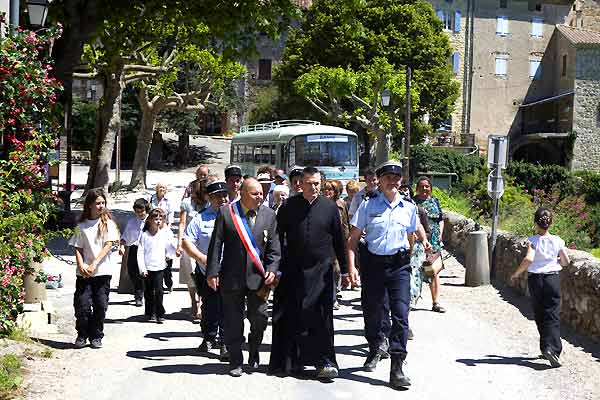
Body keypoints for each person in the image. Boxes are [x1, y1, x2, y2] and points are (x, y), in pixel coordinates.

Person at [347, 161, 425, 389]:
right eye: (388, 177)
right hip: (373, 266)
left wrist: (405, 260)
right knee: (373, 312)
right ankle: (374, 347)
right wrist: (351, 267)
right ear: (379, 180)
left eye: (397, 177)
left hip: (399, 267)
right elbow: (353, 239)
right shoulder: (367, 205)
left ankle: (397, 365)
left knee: (401, 314)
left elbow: (411, 237)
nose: (393, 181)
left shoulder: (409, 207)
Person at [269, 167, 347, 379]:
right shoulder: (288, 206)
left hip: (321, 271)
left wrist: (347, 270)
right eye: (308, 183)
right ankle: (291, 361)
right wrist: (274, 267)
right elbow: (277, 237)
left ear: (321, 184)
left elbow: (340, 241)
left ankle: (324, 361)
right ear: (299, 184)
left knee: (321, 318)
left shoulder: (330, 208)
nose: (313, 187)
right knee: (292, 315)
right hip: (293, 270)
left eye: (316, 183)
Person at [206, 178, 281, 377]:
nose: (260, 197)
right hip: (231, 277)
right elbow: (216, 244)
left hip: (259, 278)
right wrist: (212, 271)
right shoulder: (227, 213)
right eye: (255, 194)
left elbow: (274, 248)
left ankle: (254, 348)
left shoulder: (269, 215)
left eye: (261, 193)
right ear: (243, 194)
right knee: (232, 321)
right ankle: (235, 360)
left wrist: (273, 268)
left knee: (260, 317)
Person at [510, 208, 570, 368]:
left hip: (536, 280)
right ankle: (552, 350)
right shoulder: (558, 240)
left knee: (539, 313)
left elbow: (529, 259)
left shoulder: (533, 240)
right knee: (553, 314)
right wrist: (555, 259)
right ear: (551, 223)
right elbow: (566, 262)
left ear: (536, 222)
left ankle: (546, 348)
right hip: (552, 279)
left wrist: (516, 274)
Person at [182, 180, 229, 357]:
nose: (223, 199)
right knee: (209, 308)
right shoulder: (200, 218)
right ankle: (209, 337)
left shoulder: (236, 215)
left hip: (229, 272)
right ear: (210, 198)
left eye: (225, 195)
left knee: (227, 308)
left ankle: (225, 342)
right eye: (218, 196)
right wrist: (202, 259)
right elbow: (187, 242)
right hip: (206, 272)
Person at [69, 189, 120, 349]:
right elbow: (77, 246)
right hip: (84, 273)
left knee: (100, 304)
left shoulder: (108, 224)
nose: (100, 206)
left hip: (102, 271)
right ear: (90, 205)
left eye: (103, 203)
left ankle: (96, 335)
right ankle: (82, 334)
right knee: (82, 305)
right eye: (97, 203)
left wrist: (94, 264)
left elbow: (108, 245)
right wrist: (81, 264)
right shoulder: (81, 225)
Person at [137, 208, 177, 323]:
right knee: (148, 291)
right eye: (156, 219)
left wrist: (173, 252)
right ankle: (150, 312)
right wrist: (142, 268)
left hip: (160, 267)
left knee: (159, 291)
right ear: (150, 220)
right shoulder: (144, 235)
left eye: (160, 219)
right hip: (147, 267)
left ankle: (160, 313)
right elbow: (140, 252)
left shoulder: (164, 234)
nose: (158, 221)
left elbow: (169, 247)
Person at [413, 176, 446, 313]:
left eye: (427, 186)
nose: (424, 188)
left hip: (434, 242)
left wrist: (440, 234)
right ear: (417, 188)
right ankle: (410, 300)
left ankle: (436, 302)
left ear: (431, 188)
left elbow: (441, 220)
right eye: (422, 186)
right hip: (418, 242)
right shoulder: (412, 202)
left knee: (434, 271)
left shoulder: (435, 201)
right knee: (415, 271)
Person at [177, 180, 207, 321]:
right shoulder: (187, 203)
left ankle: (201, 304)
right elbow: (182, 224)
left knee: (202, 273)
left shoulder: (209, 204)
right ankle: (193, 302)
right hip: (189, 244)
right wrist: (179, 244)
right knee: (191, 276)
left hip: (204, 246)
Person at [119, 198, 150, 307]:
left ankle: (141, 294)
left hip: (147, 249)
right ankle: (139, 291)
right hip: (134, 248)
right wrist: (121, 246)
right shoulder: (131, 222)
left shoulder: (151, 221)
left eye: (142, 211)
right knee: (133, 271)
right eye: (137, 211)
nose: (140, 214)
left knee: (146, 272)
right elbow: (125, 236)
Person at [322, 180, 349, 302]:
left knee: (337, 269)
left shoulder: (341, 204)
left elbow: (345, 223)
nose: (327, 192)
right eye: (325, 189)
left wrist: (347, 237)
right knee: (331, 268)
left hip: (339, 240)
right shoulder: (321, 205)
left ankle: (335, 291)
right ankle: (332, 298)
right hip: (326, 241)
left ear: (336, 192)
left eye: (330, 189)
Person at [149, 182, 175, 293]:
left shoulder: (168, 201)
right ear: (156, 189)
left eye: (164, 188)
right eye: (160, 188)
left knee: (167, 264)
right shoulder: (151, 199)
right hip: (154, 228)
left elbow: (171, 214)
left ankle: (169, 283)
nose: (162, 189)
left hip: (164, 227)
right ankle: (156, 285)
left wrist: (168, 226)